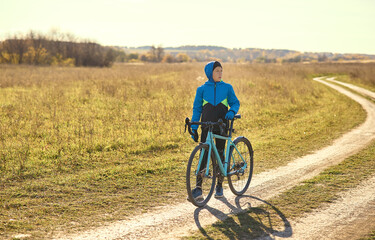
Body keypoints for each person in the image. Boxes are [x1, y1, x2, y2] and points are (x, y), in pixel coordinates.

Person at [190, 61, 240, 200]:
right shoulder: (201, 90)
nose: (220, 73)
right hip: (206, 125)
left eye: (221, 70)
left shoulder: (227, 88)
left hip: (221, 125)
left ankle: (219, 185)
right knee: (203, 154)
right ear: (209, 73)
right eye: (217, 71)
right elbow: (197, 109)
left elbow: (235, 102)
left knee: (219, 152)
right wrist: (194, 127)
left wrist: (232, 111)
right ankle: (198, 189)